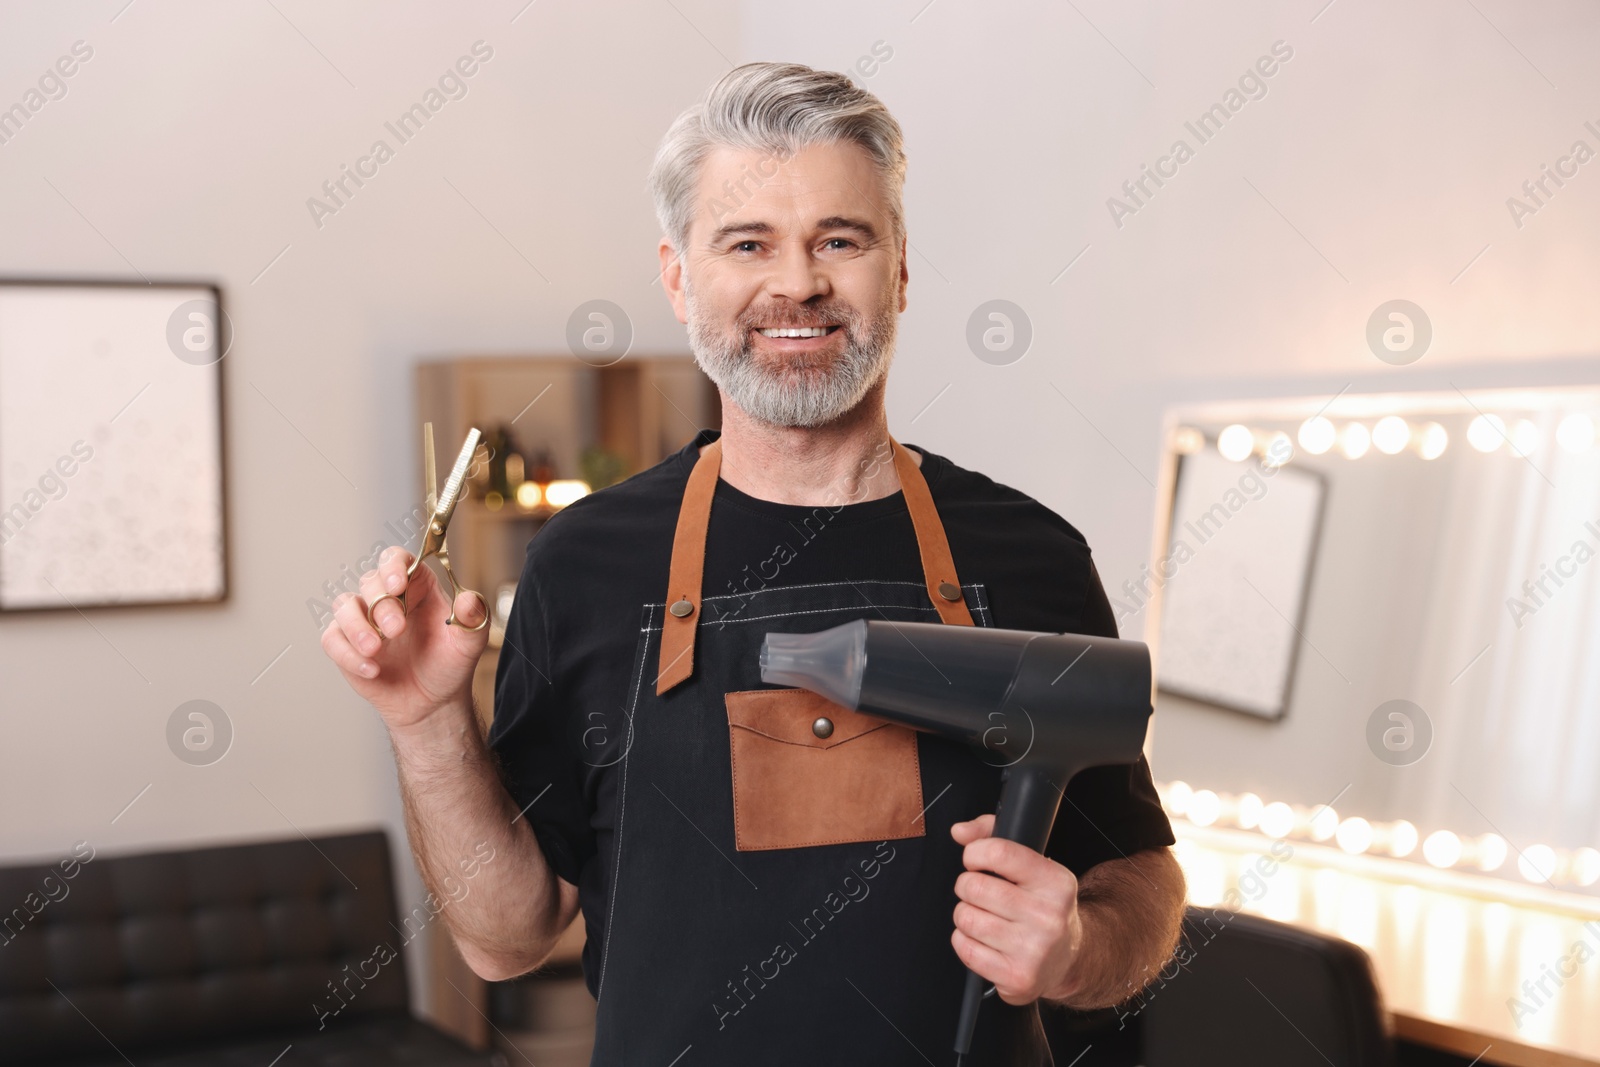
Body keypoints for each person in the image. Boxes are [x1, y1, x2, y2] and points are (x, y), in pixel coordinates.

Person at [323, 61, 1185, 1065]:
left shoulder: (1031, 556)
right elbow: (508, 936)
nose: (798, 282)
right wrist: (426, 720)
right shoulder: (585, 565)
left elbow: (1141, 880)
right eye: (748, 243)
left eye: (840, 239)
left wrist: (1079, 945)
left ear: (899, 268)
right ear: (680, 276)